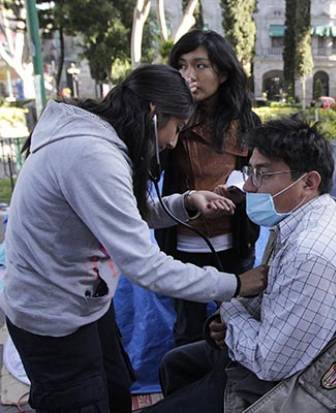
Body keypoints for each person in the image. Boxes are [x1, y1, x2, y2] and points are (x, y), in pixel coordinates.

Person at [0, 64, 267, 413]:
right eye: (176, 128)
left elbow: (121, 214)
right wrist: (234, 284)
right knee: (82, 402)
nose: (172, 141)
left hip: (82, 303)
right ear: (153, 114)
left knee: (114, 389)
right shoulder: (92, 155)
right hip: (53, 315)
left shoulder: (97, 140)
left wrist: (186, 202)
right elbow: (146, 267)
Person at [146, 118, 336, 413]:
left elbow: (270, 364)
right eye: (250, 171)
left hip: (298, 386)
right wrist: (231, 321)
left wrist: (229, 313)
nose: (248, 186)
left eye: (262, 175)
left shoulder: (312, 254)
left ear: (309, 182)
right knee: (175, 363)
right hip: (290, 354)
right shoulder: (303, 216)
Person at [156, 29, 260, 346]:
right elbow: (147, 173)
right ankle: (186, 385)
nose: (190, 76)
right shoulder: (169, 119)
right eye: (182, 66)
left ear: (223, 72)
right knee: (187, 329)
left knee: (233, 323)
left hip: (234, 241)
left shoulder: (248, 123)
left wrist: (240, 185)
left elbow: (260, 172)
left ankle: (228, 390)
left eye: (200, 66)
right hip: (182, 243)